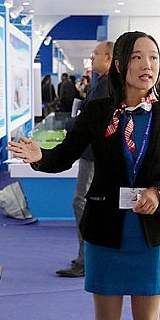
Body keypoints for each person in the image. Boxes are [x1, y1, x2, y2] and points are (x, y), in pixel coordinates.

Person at [8, 31, 160, 320]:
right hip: (105, 228)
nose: (147, 65)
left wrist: (158, 192)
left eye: (153, 57)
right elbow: (65, 155)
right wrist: (39, 156)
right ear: (120, 64)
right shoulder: (97, 111)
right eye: (137, 57)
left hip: (150, 233)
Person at [56, 41, 113, 278]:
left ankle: (87, 258)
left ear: (109, 58)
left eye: (96, 54)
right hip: (92, 154)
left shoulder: (108, 87)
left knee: (81, 203)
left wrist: (73, 124)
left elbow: (92, 122)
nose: (92, 57)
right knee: (85, 203)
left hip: (93, 155)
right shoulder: (103, 84)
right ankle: (88, 256)